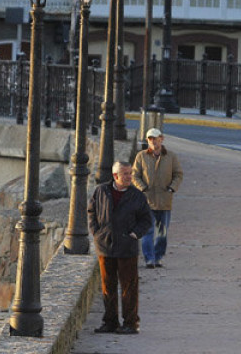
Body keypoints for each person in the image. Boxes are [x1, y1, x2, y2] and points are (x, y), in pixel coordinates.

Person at [87, 161, 153, 335]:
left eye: (130, 173)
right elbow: (91, 212)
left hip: (127, 247)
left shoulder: (137, 196)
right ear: (115, 176)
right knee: (108, 286)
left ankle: (131, 323)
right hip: (105, 246)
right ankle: (110, 321)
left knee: (129, 287)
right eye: (125, 174)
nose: (129, 177)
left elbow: (146, 220)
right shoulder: (101, 191)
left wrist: (135, 234)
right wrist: (96, 232)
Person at [132, 128, 183, 268]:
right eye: (150, 139)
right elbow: (134, 175)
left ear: (162, 139)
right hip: (146, 200)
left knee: (162, 232)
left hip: (164, 200)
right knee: (147, 231)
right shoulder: (141, 156)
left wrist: (172, 188)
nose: (153, 141)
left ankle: (158, 256)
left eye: (156, 138)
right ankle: (149, 258)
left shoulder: (171, 157)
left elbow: (178, 174)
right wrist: (142, 187)